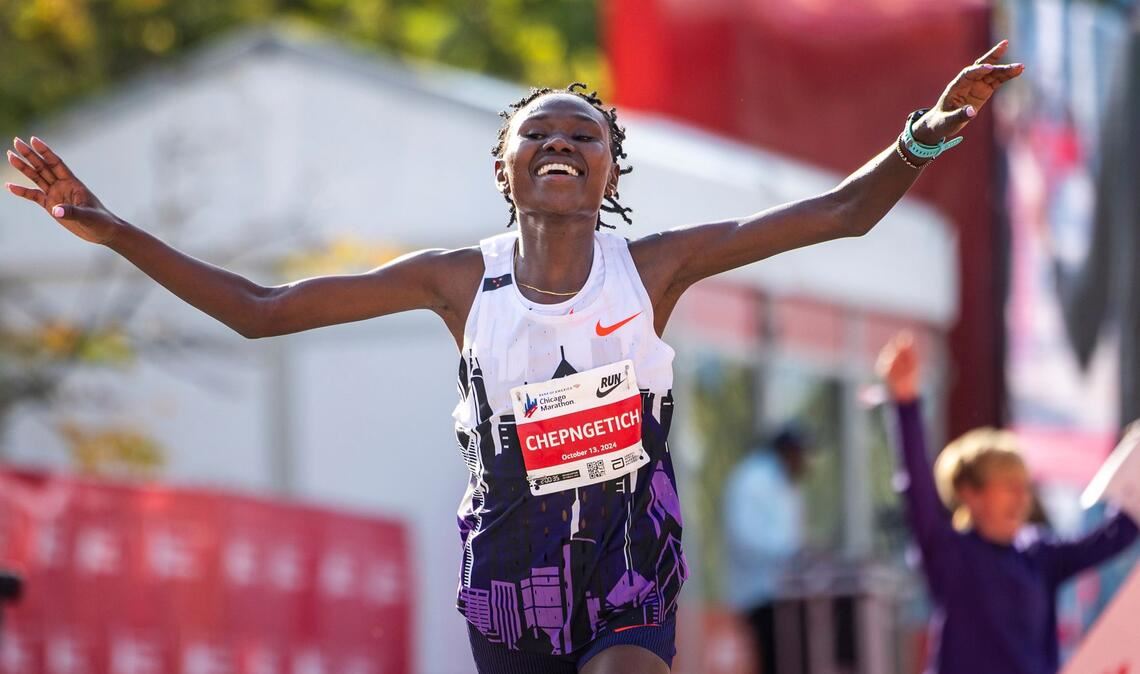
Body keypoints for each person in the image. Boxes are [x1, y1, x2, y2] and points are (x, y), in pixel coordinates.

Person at [5, 42, 1023, 673]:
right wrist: (108, 226)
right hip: (509, 580)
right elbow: (263, 308)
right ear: (504, 167)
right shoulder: (458, 280)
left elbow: (842, 215)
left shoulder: (656, 266)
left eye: (584, 135)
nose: (562, 144)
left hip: (630, 570)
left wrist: (928, 135)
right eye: (540, 133)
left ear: (610, 169)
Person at [876, 333, 1139, 674]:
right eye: (1008, 486)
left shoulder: (1039, 555)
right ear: (970, 493)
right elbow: (915, 486)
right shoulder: (948, 553)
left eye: (1024, 487)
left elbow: (1120, 533)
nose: (1022, 497)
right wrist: (905, 401)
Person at [723, 426, 811, 674]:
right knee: (774, 662)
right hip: (762, 595)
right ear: (787, 451)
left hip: (785, 595)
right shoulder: (753, 480)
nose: (804, 462)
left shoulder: (787, 485)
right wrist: (792, 551)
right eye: (800, 453)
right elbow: (745, 537)